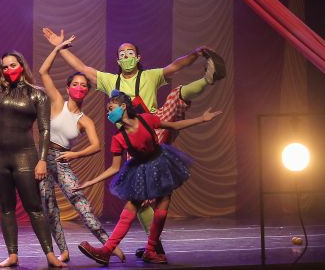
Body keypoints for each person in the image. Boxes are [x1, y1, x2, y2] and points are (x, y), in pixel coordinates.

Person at [43, 27, 225, 255]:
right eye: (122, 54)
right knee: (141, 198)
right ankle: (154, 247)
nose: (126, 57)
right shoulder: (111, 81)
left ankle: (208, 79)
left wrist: (196, 54)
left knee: (176, 95)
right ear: (117, 60)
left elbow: (175, 66)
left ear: (138, 57)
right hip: (135, 143)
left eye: (130, 53)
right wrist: (59, 47)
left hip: (154, 125)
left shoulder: (149, 76)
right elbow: (82, 68)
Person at [75, 92, 221, 265]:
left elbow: (173, 125)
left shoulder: (146, 119)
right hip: (140, 170)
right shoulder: (118, 138)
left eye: (111, 109)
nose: (109, 113)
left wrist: (202, 119)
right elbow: (114, 167)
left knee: (163, 203)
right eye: (108, 111)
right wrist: (91, 181)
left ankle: (150, 250)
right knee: (131, 207)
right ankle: (107, 251)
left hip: (161, 163)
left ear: (123, 107)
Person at [0, 8, 65, 268]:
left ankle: (50, 255)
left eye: (12, 65)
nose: (7, 70)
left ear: (22, 66)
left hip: (25, 156)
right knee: (5, 207)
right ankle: (12, 254)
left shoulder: (37, 95)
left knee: (34, 206)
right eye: (4, 67)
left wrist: (42, 160)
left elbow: (45, 130)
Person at [36, 31, 124, 263]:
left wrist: (75, 154)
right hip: (43, 157)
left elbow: (96, 146)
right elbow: (43, 72)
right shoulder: (58, 102)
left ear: (87, 91)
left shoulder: (85, 120)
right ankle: (63, 250)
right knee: (49, 207)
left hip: (62, 160)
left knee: (82, 205)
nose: (79, 87)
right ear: (67, 88)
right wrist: (57, 48)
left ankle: (108, 244)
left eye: (84, 85)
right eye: (75, 84)